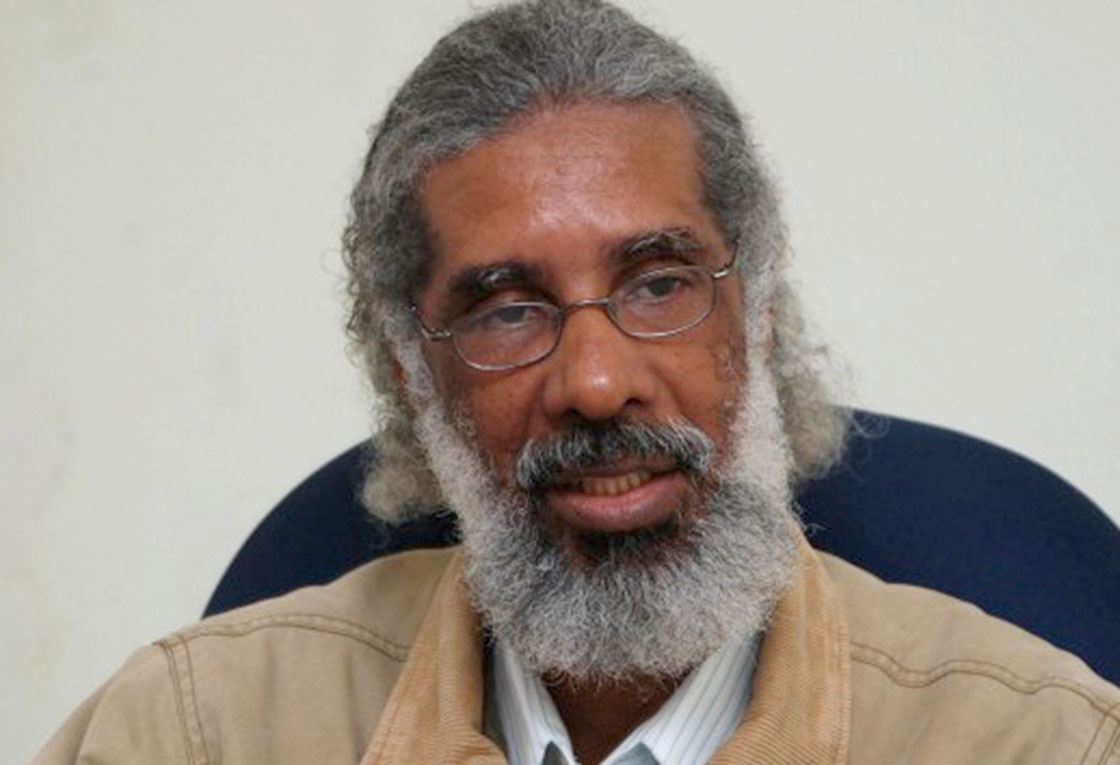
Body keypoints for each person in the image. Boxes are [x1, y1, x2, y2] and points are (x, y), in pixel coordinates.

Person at [35, 1, 1120, 763]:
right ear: (414, 377)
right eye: (507, 308)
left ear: (758, 315)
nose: (596, 383)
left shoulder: (1042, 743)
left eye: (658, 284)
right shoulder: (196, 732)